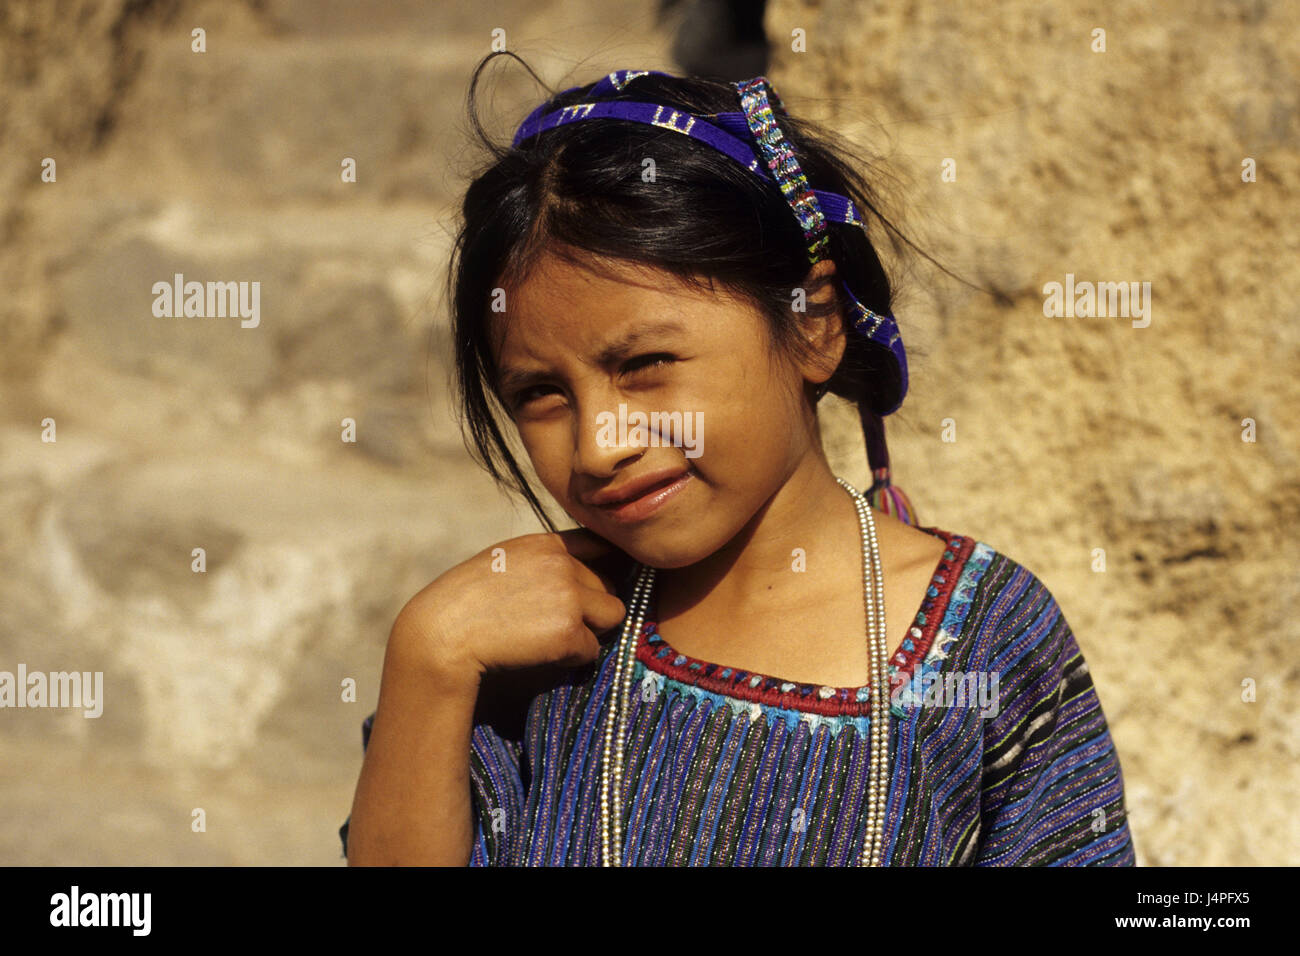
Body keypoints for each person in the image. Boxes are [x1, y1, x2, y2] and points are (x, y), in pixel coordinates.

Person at [340, 55, 1136, 866]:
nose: (599, 445)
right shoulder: (528, 650)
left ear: (816, 323)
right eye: (541, 393)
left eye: (645, 364)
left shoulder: (984, 642)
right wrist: (427, 657)